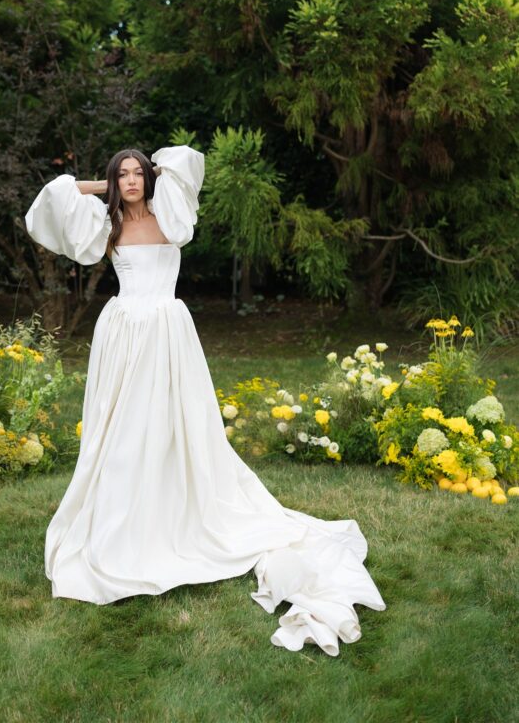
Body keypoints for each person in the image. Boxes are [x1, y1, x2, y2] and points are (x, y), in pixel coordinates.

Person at [24, 143, 386, 656]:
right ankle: (119, 521)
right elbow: (50, 200)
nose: (130, 181)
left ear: (149, 177)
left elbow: (186, 159)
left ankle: (176, 509)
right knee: (121, 430)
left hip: (168, 332)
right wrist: (103, 186)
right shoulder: (105, 228)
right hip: (124, 331)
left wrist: (145, 177)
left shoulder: (172, 215)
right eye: (121, 175)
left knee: (174, 425)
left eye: (137, 174)